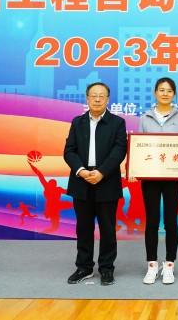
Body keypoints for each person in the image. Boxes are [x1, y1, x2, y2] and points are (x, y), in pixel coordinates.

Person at [128, 77, 178, 285]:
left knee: (171, 221)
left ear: (174, 94)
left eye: (169, 91)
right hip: (150, 177)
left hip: (173, 177)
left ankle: (169, 265)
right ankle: (152, 265)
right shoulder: (145, 117)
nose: (165, 94)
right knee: (152, 221)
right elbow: (139, 145)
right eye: (161, 90)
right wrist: (134, 168)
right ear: (155, 93)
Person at [63, 82, 127, 286]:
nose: (97, 99)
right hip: (81, 181)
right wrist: (81, 171)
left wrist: (101, 172)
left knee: (107, 228)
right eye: (94, 95)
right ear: (87, 98)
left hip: (106, 180)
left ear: (108, 99)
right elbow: (69, 151)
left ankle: (106, 268)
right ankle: (84, 267)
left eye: (102, 96)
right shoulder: (77, 122)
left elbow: (119, 150)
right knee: (83, 227)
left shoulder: (117, 123)